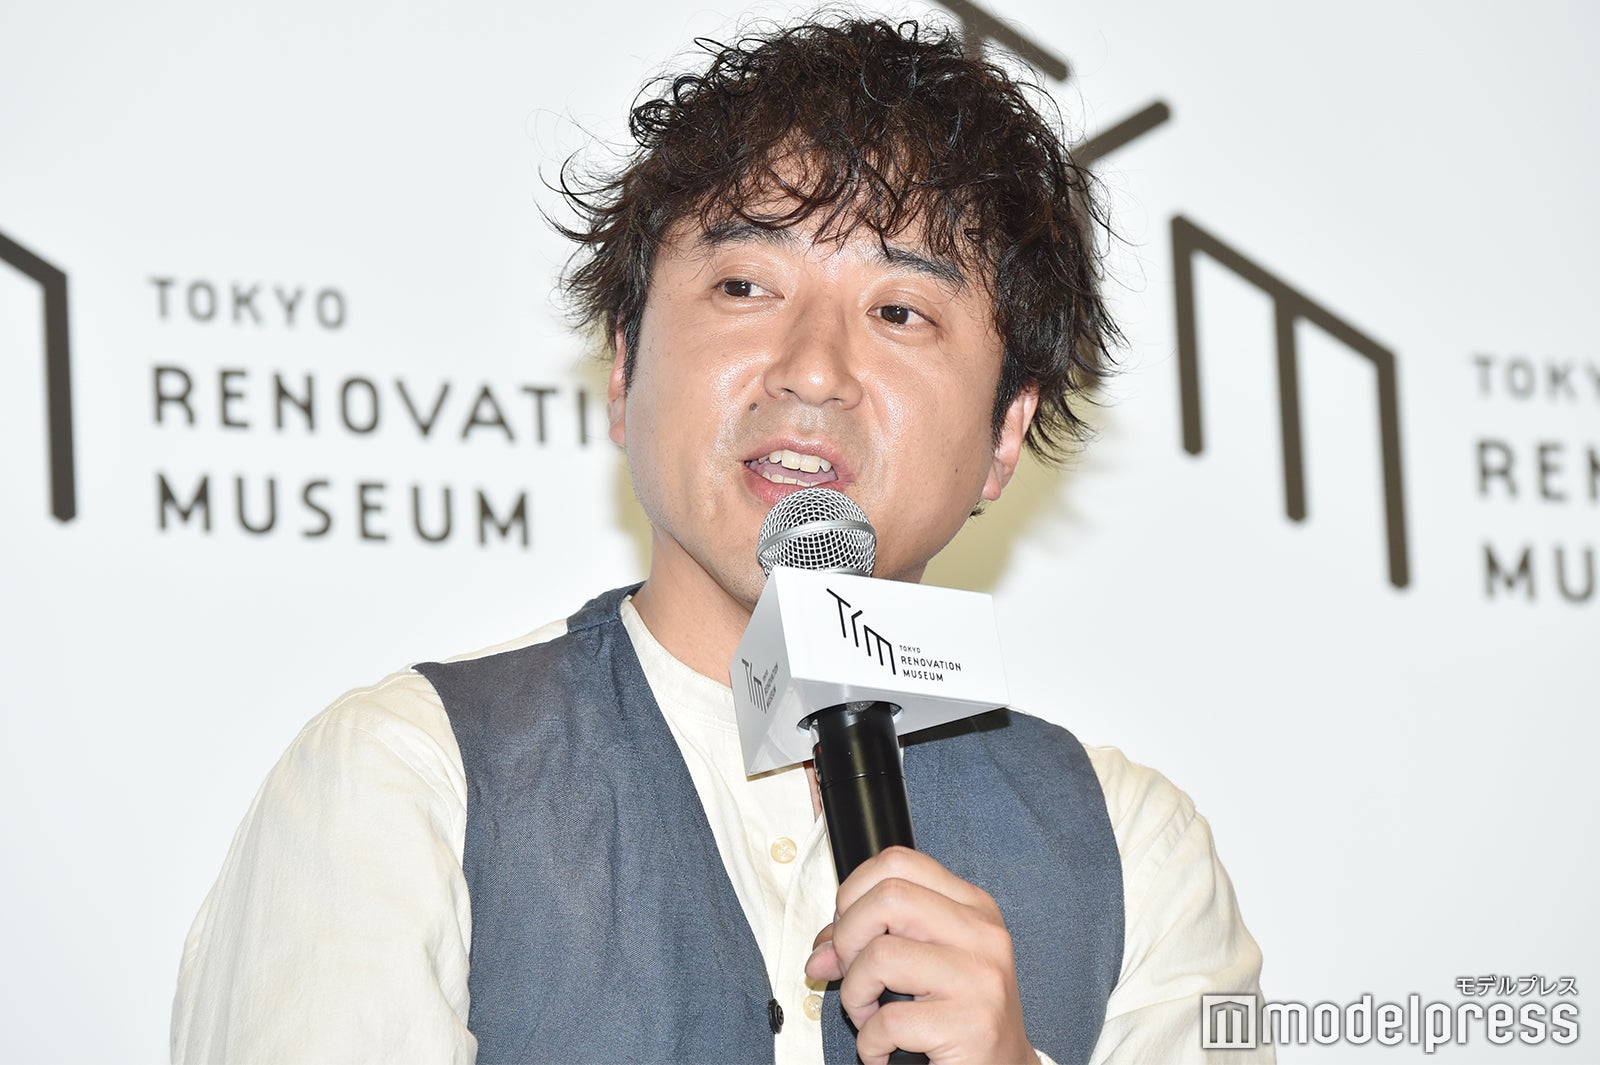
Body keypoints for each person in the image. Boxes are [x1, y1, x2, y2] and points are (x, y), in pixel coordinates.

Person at [172, 17, 1267, 1065]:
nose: (814, 369)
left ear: (1005, 432)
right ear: (623, 367)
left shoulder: (1131, 849)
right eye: (745, 286)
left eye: (899, 313)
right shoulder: (409, 775)